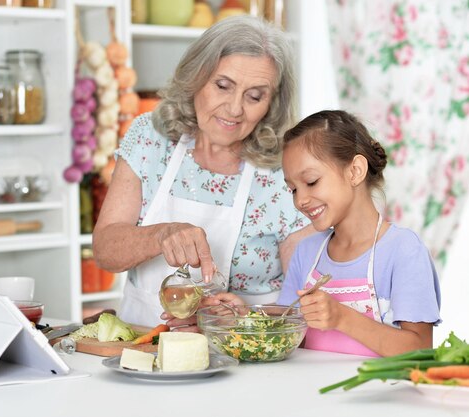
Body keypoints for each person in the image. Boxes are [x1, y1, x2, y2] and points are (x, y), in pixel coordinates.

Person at [92, 15, 312, 328]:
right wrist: (160, 235)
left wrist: (246, 319)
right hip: (143, 351)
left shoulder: (286, 171)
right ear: (196, 77)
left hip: (247, 360)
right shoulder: (151, 137)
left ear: (272, 103)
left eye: (254, 96)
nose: (235, 108)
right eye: (223, 86)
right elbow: (105, 251)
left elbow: (309, 302)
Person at [210, 110, 442, 357]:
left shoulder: (403, 250)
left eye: (311, 182)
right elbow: (290, 329)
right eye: (293, 189)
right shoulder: (307, 252)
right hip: (312, 393)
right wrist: (246, 314)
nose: (301, 200)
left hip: (381, 394)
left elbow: (419, 350)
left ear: (355, 171)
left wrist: (341, 317)